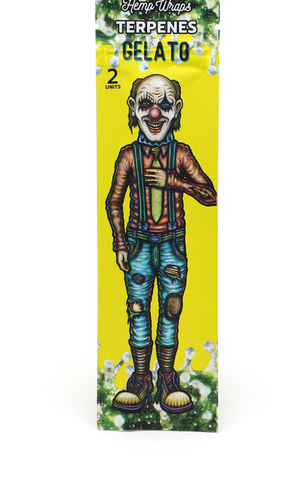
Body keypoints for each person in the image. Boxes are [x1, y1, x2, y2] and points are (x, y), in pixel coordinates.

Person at [106, 74, 217, 413]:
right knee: (137, 309)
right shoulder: (128, 155)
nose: (155, 114)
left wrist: (174, 182)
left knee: (171, 309)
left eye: (164, 105)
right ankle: (141, 380)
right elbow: (114, 201)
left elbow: (211, 195)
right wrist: (120, 242)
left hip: (172, 244)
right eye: (146, 104)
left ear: (177, 109)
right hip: (138, 245)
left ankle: (167, 378)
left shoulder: (181, 154)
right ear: (133, 108)